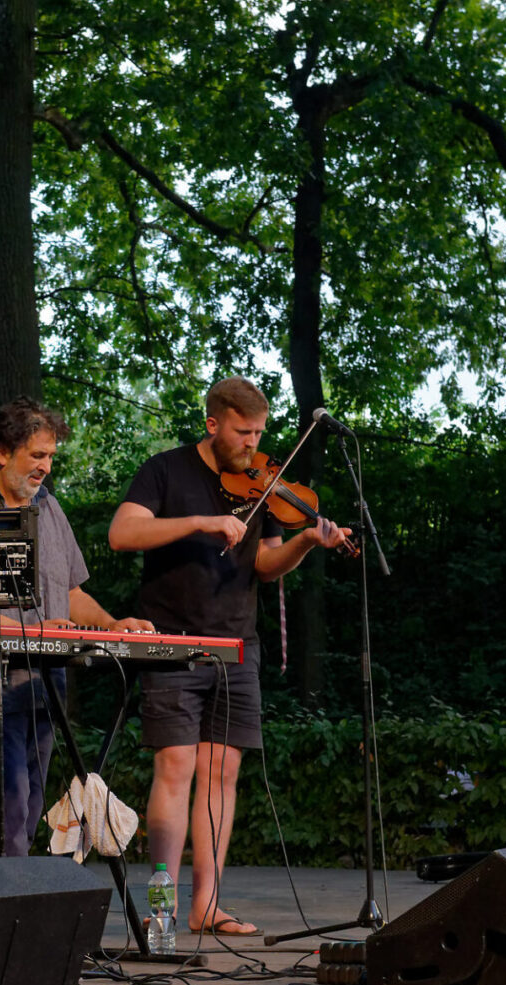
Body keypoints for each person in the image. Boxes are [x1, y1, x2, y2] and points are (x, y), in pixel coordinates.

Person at [108, 377, 351, 937]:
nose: (254, 443)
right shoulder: (165, 470)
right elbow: (123, 533)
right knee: (175, 769)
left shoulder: (258, 486)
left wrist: (305, 543)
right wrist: (200, 521)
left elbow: (265, 564)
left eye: (261, 431)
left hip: (238, 645)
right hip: (171, 642)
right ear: (214, 423)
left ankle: (207, 904)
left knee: (223, 774)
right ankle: (163, 908)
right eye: (244, 432)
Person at [0, 398, 153, 858]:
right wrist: (21, 629)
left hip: (43, 682)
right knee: (8, 803)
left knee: (28, 808)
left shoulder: (48, 508)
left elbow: (71, 594)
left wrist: (113, 624)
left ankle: (1, 911)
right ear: (4, 451)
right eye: (37, 455)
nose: (46, 467)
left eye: (51, 456)